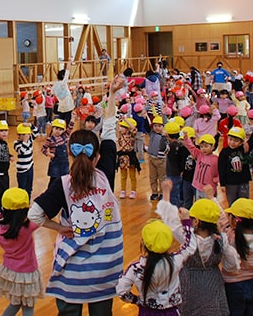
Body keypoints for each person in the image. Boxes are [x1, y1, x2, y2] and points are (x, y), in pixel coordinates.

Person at [29, 129, 123, 315]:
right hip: (105, 270)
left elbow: (34, 215)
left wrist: (60, 228)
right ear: (97, 157)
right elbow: (110, 132)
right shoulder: (105, 176)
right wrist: (111, 98)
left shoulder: (62, 185)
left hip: (72, 273)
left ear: (70, 154)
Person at [116, 179, 197, 315]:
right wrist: (187, 222)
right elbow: (190, 246)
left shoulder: (136, 267)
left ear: (144, 244)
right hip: (170, 311)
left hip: (146, 311)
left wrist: (136, 300)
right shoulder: (175, 261)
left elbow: (121, 290)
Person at [0, 188, 44, 316]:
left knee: (15, 303)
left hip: (10, 272)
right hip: (28, 273)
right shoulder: (29, 227)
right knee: (28, 306)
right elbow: (41, 215)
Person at [218, 126, 251, 205]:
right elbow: (221, 168)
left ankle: (242, 217)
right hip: (230, 183)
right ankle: (233, 217)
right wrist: (222, 184)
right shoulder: (224, 152)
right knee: (232, 203)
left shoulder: (243, 149)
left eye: (236, 141)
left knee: (244, 202)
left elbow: (252, 141)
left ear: (241, 142)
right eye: (230, 139)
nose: (232, 142)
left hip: (243, 181)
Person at [42, 118, 74, 187]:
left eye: (61, 129)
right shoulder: (49, 139)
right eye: (56, 128)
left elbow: (70, 128)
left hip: (65, 163)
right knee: (54, 179)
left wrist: (73, 119)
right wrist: (49, 154)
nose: (58, 131)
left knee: (64, 179)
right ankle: (50, 192)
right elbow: (43, 149)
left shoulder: (64, 136)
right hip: (55, 163)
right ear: (52, 128)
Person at [117, 117, 139, 199]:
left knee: (132, 175)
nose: (121, 129)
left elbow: (133, 129)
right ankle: (123, 190)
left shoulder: (131, 135)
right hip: (123, 156)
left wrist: (126, 120)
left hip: (130, 156)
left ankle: (133, 190)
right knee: (123, 175)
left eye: (123, 127)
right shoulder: (120, 135)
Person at [13, 123, 38, 197]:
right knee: (22, 188)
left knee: (29, 188)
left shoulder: (29, 140)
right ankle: (21, 202)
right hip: (22, 170)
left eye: (27, 134)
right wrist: (25, 141)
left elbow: (36, 132)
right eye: (23, 134)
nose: (26, 136)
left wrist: (30, 125)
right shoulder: (16, 143)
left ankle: (27, 202)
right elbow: (22, 151)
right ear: (19, 135)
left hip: (30, 167)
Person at [147, 115, 168, 201]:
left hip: (161, 160)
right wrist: (146, 116)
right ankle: (154, 192)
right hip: (152, 158)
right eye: (155, 126)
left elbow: (165, 122)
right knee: (153, 177)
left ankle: (162, 193)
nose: (157, 128)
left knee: (162, 177)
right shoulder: (152, 133)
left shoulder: (165, 137)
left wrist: (164, 114)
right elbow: (147, 125)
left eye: (159, 126)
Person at [53, 60, 75, 125]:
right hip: (67, 105)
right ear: (63, 76)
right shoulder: (63, 84)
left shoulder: (55, 85)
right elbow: (67, 72)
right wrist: (69, 62)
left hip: (61, 105)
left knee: (61, 121)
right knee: (68, 121)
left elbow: (52, 93)